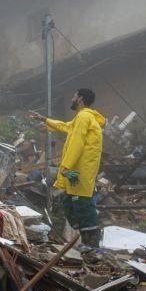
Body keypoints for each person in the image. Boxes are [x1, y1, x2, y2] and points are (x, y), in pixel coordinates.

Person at [32, 88, 106, 248]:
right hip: (77, 170)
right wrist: (45, 119)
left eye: (73, 95)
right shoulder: (82, 118)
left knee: (82, 205)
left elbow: (76, 143)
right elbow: (66, 126)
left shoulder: (84, 117)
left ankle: (91, 246)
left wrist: (65, 167)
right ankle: (85, 239)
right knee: (69, 202)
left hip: (79, 171)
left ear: (80, 98)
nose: (72, 98)